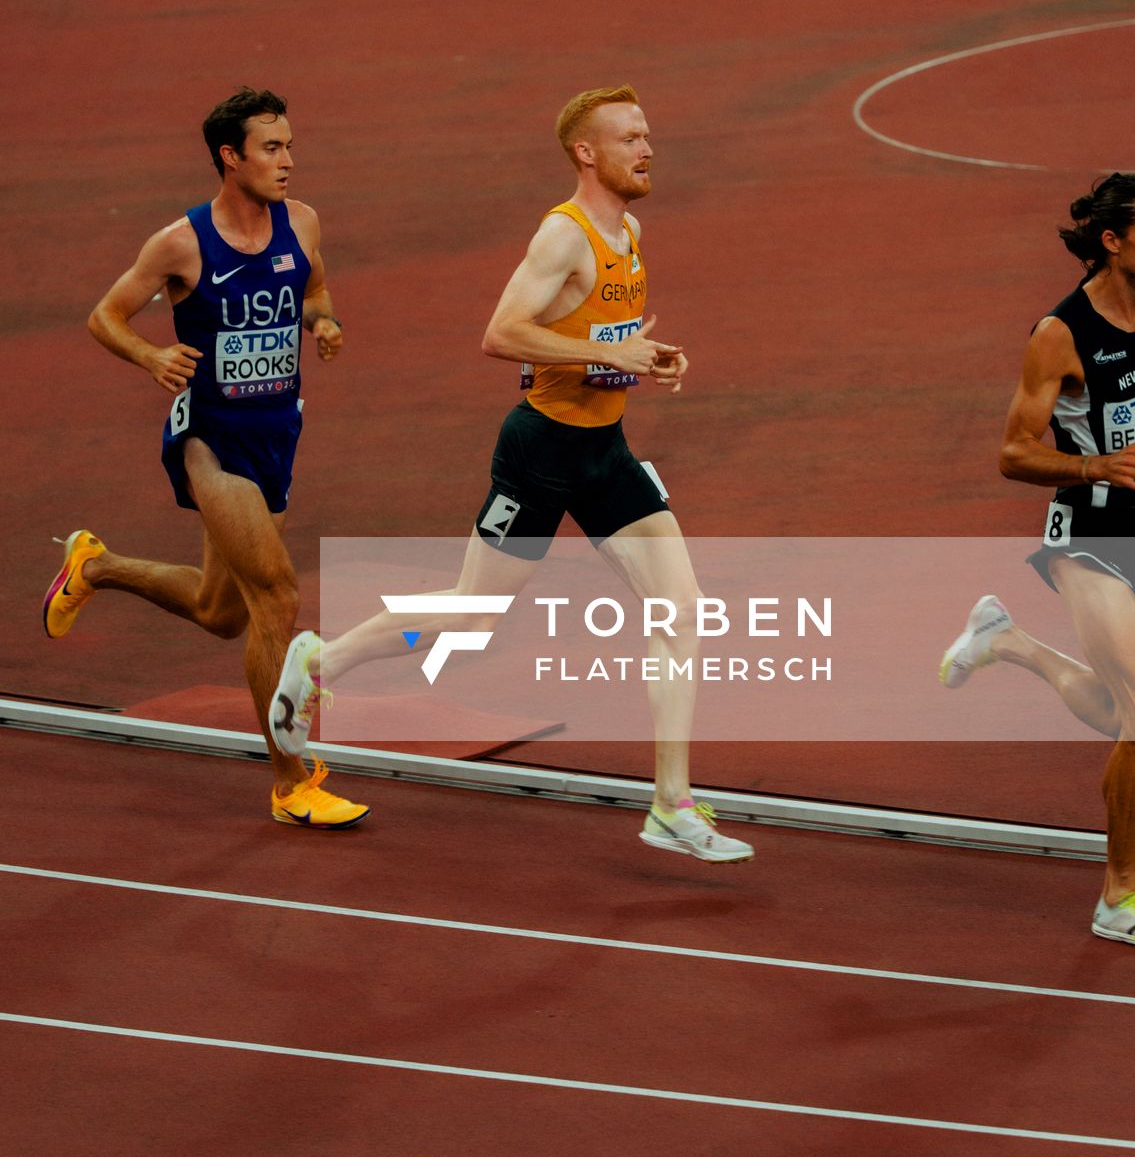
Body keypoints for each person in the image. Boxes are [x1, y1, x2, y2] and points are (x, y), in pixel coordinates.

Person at [270, 84, 753, 862]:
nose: (648, 148)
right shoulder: (562, 236)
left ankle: (671, 805)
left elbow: (594, 335)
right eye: (631, 137)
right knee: (473, 617)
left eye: (648, 134)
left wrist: (639, 354)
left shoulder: (627, 231)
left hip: (606, 453)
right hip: (540, 454)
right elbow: (500, 335)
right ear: (586, 152)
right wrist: (606, 353)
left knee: (682, 611)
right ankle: (322, 660)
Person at [44, 87, 369, 830]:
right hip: (211, 440)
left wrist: (325, 323)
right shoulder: (182, 243)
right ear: (232, 157)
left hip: (278, 431)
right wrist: (151, 354)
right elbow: (105, 315)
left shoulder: (303, 222)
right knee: (277, 599)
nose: (288, 161)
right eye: (272, 148)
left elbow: (316, 289)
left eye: (289, 146)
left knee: (220, 611)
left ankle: (94, 566)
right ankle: (290, 783)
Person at [940, 172, 1135, 945]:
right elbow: (1013, 452)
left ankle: (1005, 642)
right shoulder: (1060, 333)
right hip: (1091, 535)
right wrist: (1094, 467)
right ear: (1113, 241)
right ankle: (1119, 895)